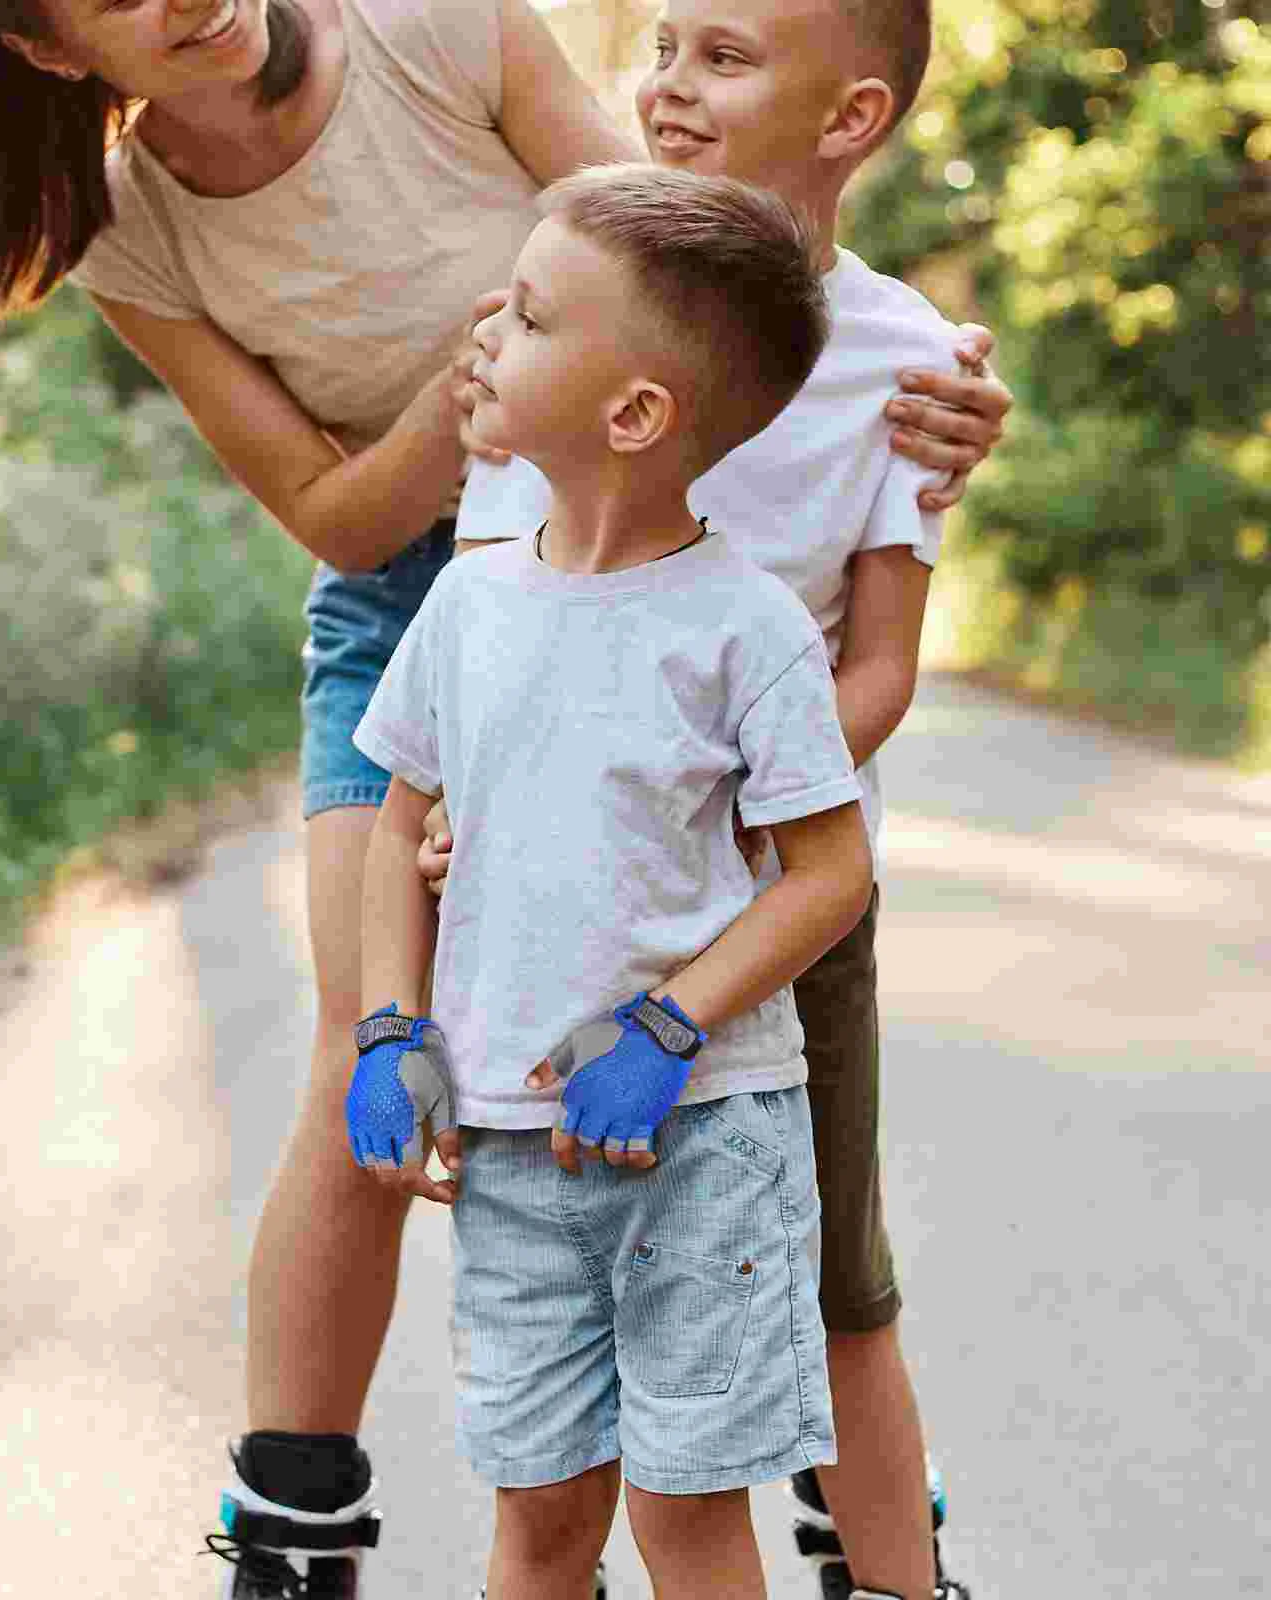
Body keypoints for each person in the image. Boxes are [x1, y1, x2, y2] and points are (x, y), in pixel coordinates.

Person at [0, 0, 1009, 1592]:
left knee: (785, 1171)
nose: (187, 0)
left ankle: (853, 1512)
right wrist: (499, 394)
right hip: (444, 581)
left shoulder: (437, 31)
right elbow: (346, 516)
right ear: (51, 52)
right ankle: (302, 1525)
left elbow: (693, 286)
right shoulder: (135, 234)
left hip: (653, 570)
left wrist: (906, 386)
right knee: (379, 1046)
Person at [427, 1, 996, 1596]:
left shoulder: (908, 358)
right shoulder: (577, 298)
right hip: (559, 919)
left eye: (725, 57)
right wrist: (485, 806)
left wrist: (737, 813)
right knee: (557, 1310)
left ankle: (900, 1583)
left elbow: (880, 664)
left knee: (836, 1292)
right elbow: (493, 608)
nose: (669, 85)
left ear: (851, 114)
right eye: (666, 45)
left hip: (779, 914)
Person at [347, 163, 870, 1600]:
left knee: (686, 1522)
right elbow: (398, 831)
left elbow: (829, 873)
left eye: (524, 317)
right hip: (513, 1150)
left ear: (634, 413)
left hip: (704, 1141)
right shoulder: (468, 604)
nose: (483, 337)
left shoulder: (745, 627)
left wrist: (667, 1028)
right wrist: (391, 1031)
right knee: (538, 1526)